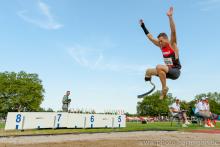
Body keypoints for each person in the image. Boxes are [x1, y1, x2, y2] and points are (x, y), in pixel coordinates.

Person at [139, 7, 181, 99]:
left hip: (175, 72)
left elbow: (173, 31)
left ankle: (164, 89)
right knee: (148, 71)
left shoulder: (172, 44)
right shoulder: (160, 46)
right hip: (166, 71)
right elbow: (150, 37)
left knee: (158, 66)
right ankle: (149, 80)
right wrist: (143, 26)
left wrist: (170, 17)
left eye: (161, 41)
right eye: (159, 41)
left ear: (166, 39)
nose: (160, 43)